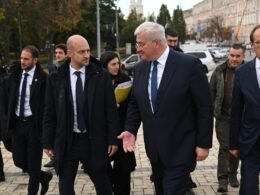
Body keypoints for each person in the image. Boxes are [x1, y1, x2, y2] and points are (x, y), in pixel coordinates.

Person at [118, 22, 213, 195]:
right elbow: (135, 103)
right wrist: (130, 130)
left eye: (141, 44)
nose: (137, 49)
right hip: (154, 150)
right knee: (161, 190)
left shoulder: (189, 65)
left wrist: (204, 143)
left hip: (182, 148)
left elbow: (205, 107)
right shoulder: (140, 68)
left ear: (156, 43)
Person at [42, 35, 119, 195]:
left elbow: (110, 110)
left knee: (103, 185)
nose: (86, 55)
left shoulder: (101, 75)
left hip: (93, 141)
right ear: (69, 53)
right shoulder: (55, 78)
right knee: (65, 187)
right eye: (81, 51)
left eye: (88, 51)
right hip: (67, 142)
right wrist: (47, 142)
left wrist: (113, 138)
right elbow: (50, 112)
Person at [0, 45, 52, 195]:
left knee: (34, 161)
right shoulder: (15, 75)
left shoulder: (43, 78)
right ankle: (44, 176)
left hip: (34, 125)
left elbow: (47, 104)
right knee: (18, 160)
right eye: (22, 58)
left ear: (35, 60)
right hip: (18, 123)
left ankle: (32, 191)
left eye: (26, 59)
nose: (22, 61)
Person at [165, 26, 197, 190]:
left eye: (175, 41)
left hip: (183, 117)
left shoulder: (184, 59)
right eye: (169, 41)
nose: (172, 44)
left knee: (183, 155)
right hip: (162, 119)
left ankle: (185, 180)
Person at [210, 43, 245, 192]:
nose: (234, 59)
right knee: (225, 147)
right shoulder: (219, 71)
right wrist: (212, 111)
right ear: (228, 55)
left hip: (243, 118)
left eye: (238, 56)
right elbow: (210, 93)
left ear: (243, 56)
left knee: (236, 147)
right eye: (232, 55)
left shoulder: (249, 71)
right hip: (223, 116)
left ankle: (232, 174)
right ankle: (222, 179)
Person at [100, 51, 136, 195]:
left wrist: (121, 106)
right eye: (112, 64)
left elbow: (133, 105)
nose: (116, 67)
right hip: (104, 131)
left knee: (123, 169)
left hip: (122, 130)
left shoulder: (125, 79)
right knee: (103, 168)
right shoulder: (99, 80)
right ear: (105, 65)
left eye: (117, 63)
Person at [230, 25, 260, 195]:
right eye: (259, 42)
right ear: (252, 45)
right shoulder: (242, 72)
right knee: (248, 187)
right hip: (251, 141)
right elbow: (236, 110)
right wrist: (233, 143)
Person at [44, 43, 67, 168]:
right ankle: (55, 157)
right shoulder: (54, 68)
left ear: (66, 54)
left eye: (60, 53)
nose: (57, 55)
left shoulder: (67, 68)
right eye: (56, 53)